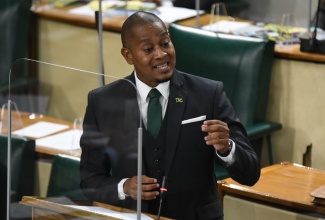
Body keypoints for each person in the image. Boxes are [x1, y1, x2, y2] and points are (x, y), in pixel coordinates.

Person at [80, 11, 260, 220]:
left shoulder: (208, 94)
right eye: (148, 49)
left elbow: (251, 174)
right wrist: (124, 187)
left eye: (165, 43)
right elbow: (90, 181)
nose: (161, 54)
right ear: (128, 55)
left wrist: (228, 148)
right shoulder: (102, 102)